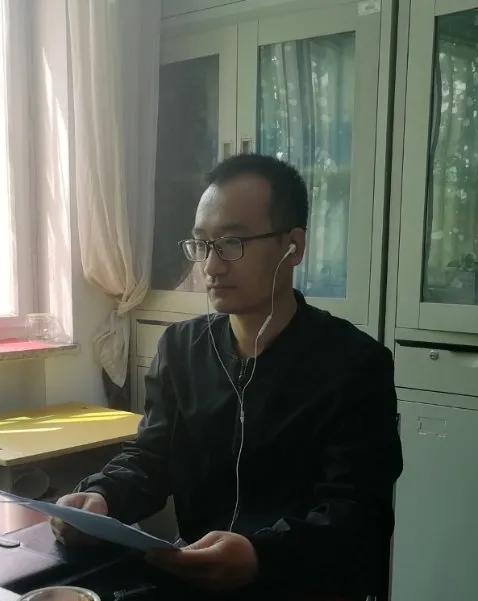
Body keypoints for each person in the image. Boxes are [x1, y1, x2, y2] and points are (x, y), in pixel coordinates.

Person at [52, 154, 403, 599]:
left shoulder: (354, 364)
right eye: (202, 244)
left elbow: (358, 515)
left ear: (293, 247)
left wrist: (260, 556)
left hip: (297, 587)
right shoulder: (181, 348)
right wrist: (101, 497)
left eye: (232, 243)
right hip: (193, 580)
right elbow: (151, 458)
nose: (211, 267)